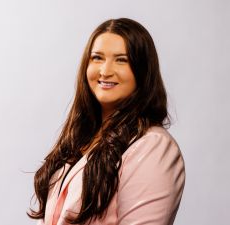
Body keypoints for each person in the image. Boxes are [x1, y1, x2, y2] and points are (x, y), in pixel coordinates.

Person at [28, 18, 185, 225]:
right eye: (97, 58)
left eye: (121, 60)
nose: (105, 71)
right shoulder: (80, 141)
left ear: (142, 71)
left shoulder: (153, 147)